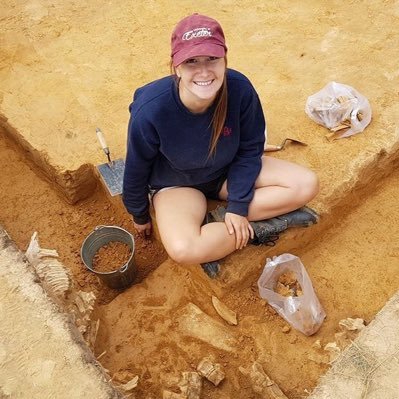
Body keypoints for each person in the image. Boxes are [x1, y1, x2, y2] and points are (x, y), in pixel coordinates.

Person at [122, 13, 319, 276]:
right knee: (183, 249)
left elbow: (250, 148)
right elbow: (136, 166)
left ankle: (221, 223)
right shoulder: (151, 110)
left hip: (227, 172)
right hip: (178, 184)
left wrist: (237, 207)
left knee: (306, 184)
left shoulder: (239, 89)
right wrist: (139, 214)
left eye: (212, 59)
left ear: (224, 59)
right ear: (176, 66)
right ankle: (258, 228)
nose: (204, 72)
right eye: (191, 61)